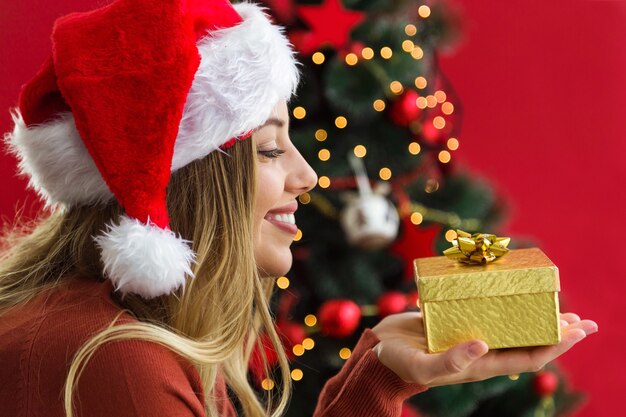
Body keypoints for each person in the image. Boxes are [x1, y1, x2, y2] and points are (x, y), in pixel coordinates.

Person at [0, 0, 597, 416]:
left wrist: (381, 377)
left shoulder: (112, 335)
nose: (307, 175)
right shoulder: (113, 363)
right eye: (268, 148)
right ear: (187, 182)